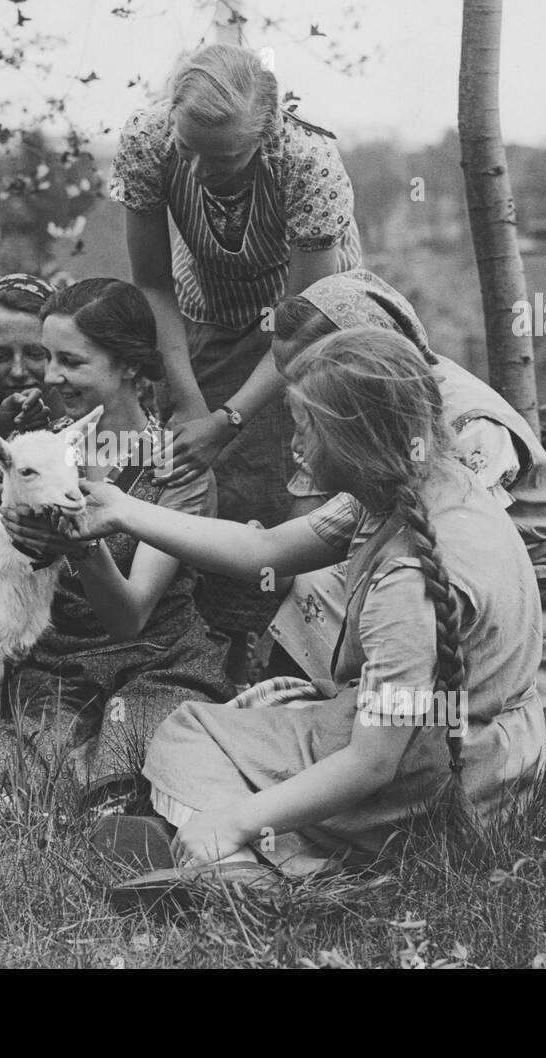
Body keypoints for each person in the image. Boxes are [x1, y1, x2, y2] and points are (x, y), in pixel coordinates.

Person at [7, 329, 546, 887]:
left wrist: (236, 822)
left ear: (351, 442)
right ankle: (262, 848)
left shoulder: (408, 583)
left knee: (187, 734)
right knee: (245, 718)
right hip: (489, 764)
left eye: (305, 429)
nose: (294, 446)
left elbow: (372, 763)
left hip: (431, 781)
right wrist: (120, 510)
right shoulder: (429, 486)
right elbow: (261, 551)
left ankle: (253, 872)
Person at [261, 270, 546, 749]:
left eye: (314, 371)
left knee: (470, 741)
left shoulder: (465, 430)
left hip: (541, 594)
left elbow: (462, 557)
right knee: (314, 588)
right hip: (445, 580)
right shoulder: (388, 403)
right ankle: (336, 719)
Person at [110, 42, 363, 682]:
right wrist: (191, 397)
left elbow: (302, 320)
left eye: (220, 157)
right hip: (206, 314)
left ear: (265, 136)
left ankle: (299, 659)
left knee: (292, 480)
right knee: (208, 480)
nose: (195, 169)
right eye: (186, 147)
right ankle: (214, 648)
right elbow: (153, 284)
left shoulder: (308, 163)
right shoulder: (145, 141)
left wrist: (229, 417)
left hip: (315, 323)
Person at [0, 278, 234, 813]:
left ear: (130, 366)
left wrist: (78, 546)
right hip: (60, 659)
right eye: (48, 357)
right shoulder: (41, 447)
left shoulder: (176, 469)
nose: (49, 376)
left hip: (157, 658)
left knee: (135, 751)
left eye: (71, 361)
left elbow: (131, 616)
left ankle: (129, 816)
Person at [0, 272, 58, 436]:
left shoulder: (92, 414)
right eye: (0, 356)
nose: (18, 372)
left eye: (35, 353)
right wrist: (2, 433)